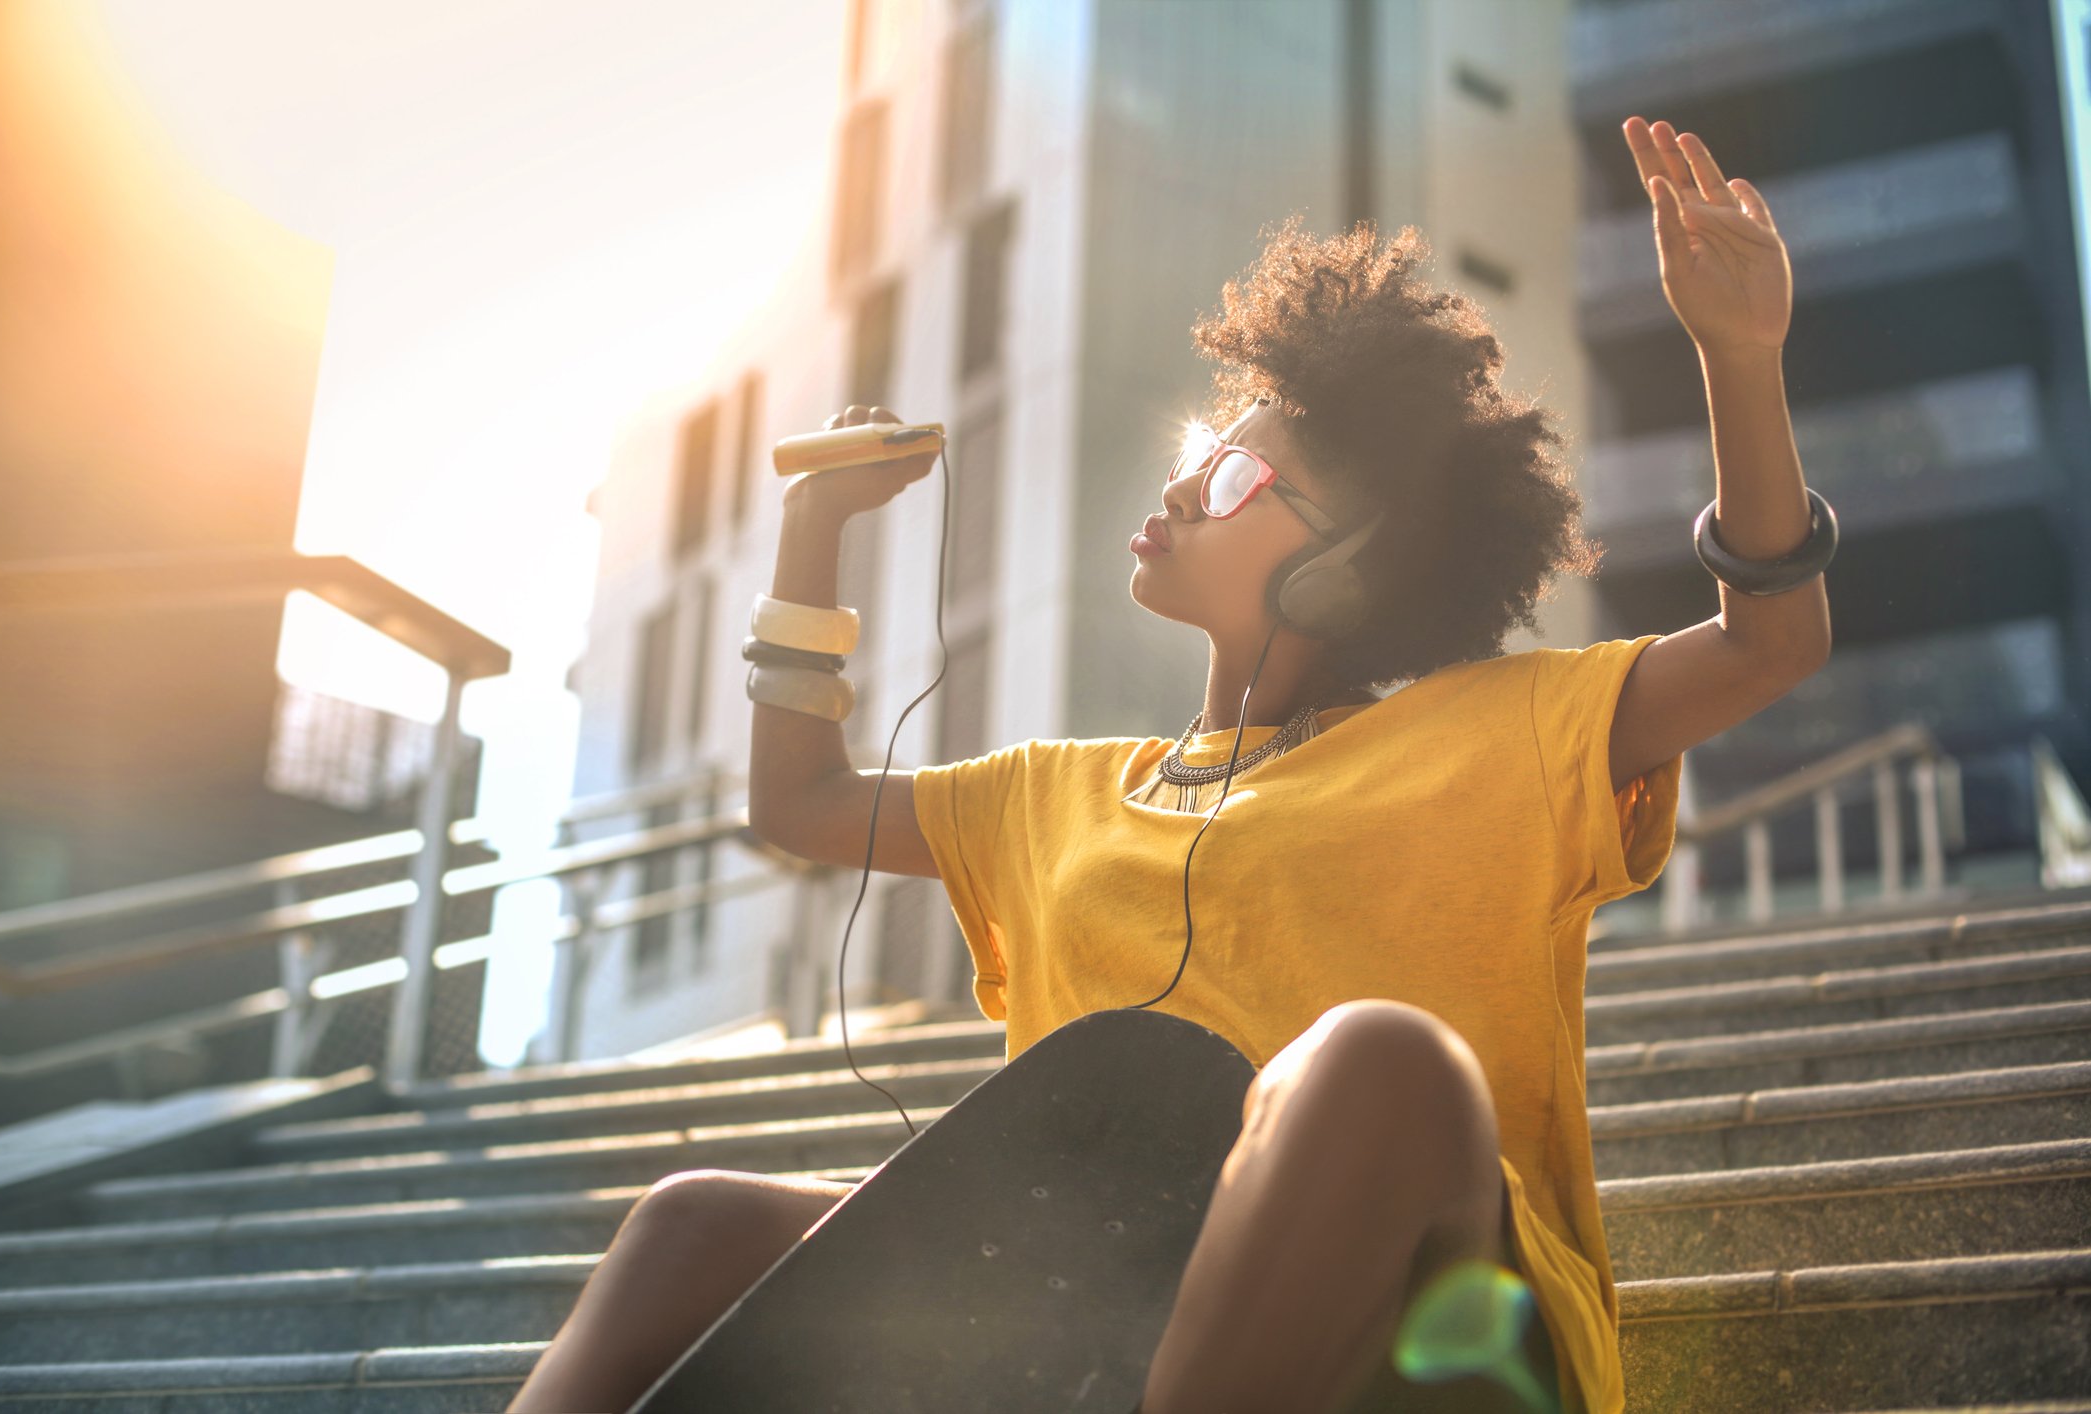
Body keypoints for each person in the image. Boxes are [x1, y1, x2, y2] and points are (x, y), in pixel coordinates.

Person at [509, 116, 1833, 1414]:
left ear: (1347, 564)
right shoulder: (1051, 794)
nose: (1190, 484)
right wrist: (810, 536)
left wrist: (1739, 358)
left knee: (1375, 1060)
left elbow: (1765, 641)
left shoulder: (1499, 729)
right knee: (689, 1220)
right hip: (1091, 1306)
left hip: (1423, 1324)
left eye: (1241, 472)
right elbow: (797, 801)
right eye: (1200, 453)